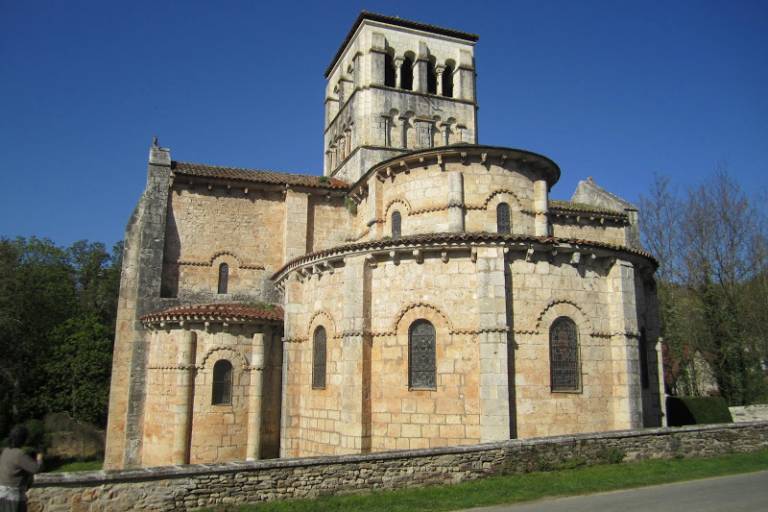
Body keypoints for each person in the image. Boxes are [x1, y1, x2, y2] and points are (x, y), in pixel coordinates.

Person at [0, 426, 43, 512]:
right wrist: (40, 457)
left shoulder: (6, 451)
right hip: (13, 498)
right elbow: (36, 468)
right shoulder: (19, 454)